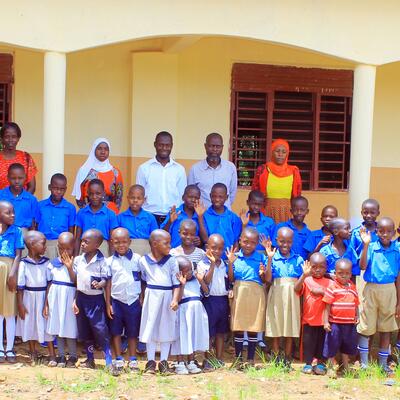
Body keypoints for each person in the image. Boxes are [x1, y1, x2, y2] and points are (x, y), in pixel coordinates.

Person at [357, 217, 400, 373]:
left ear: (394, 233)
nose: (385, 234)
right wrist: (365, 245)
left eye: (389, 231)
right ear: (376, 231)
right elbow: (362, 266)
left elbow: (399, 277)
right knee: (365, 327)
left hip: (389, 290)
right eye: (381, 231)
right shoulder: (371, 247)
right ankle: (364, 364)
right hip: (371, 289)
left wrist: (398, 301)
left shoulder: (397, 250)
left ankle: (383, 365)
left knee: (386, 328)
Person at [139, 229, 180, 374]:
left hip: (167, 296)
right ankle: (150, 361)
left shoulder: (172, 261)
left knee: (166, 328)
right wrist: (142, 296)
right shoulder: (143, 261)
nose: (169, 246)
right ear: (155, 244)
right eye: (166, 243)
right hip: (151, 296)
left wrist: (175, 299)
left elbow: (176, 283)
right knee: (150, 327)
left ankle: (163, 361)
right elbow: (143, 281)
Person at [226, 227, 267, 369]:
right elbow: (231, 278)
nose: (248, 245)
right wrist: (230, 263)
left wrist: (262, 272)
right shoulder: (235, 256)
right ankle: (238, 359)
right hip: (239, 292)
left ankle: (250, 359)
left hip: (256, 293)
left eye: (253, 243)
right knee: (238, 326)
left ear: (257, 244)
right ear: (240, 241)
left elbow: (266, 279)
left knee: (253, 326)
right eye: (245, 242)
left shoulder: (261, 257)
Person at [73, 229, 113, 370]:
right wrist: (75, 300)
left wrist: (100, 284)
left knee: (100, 330)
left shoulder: (103, 261)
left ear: (97, 245)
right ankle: (90, 360)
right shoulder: (78, 260)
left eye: (86, 242)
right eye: (82, 241)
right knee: (84, 330)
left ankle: (109, 362)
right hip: (81, 299)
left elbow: (106, 280)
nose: (82, 244)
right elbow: (76, 282)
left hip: (95, 300)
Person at [265, 227, 303, 369]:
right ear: (276, 241)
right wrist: (269, 259)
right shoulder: (272, 257)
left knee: (290, 326)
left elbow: (300, 281)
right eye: (282, 241)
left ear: (292, 241)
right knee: (275, 325)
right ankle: (276, 357)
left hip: (292, 295)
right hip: (276, 293)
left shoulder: (298, 259)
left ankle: (287, 358)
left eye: (288, 242)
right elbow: (268, 279)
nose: (285, 245)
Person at [105, 228, 142, 374]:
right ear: (111, 243)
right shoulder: (109, 262)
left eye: (124, 242)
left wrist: (141, 297)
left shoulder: (138, 259)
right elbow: (108, 284)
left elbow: (143, 280)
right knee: (116, 331)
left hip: (133, 301)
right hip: (116, 301)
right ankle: (119, 358)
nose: (121, 245)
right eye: (117, 242)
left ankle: (133, 359)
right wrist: (108, 304)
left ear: (130, 242)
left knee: (132, 332)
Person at [16, 231, 56, 365]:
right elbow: (20, 286)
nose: (45, 247)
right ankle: (33, 352)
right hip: (28, 298)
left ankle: (52, 354)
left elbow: (49, 283)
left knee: (46, 324)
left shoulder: (46, 262)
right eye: (43, 244)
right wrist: (20, 305)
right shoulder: (23, 263)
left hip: (43, 297)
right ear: (32, 245)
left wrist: (46, 303)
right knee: (30, 323)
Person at [136, 131, 187, 226]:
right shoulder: (144, 168)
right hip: (149, 216)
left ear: (172, 146)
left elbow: (182, 197)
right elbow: (138, 195)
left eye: (167, 145)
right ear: (155, 144)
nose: (164, 148)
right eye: (161, 145)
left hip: (173, 216)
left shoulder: (179, 169)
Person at [43, 232, 78, 368]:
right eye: (62, 248)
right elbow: (49, 285)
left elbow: (76, 282)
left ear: (74, 247)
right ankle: (61, 355)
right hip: (55, 298)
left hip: (69, 298)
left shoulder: (76, 263)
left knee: (69, 326)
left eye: (68, 249)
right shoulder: (53, 264)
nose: (65, 252)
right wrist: (46, 304)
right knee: (58, 326)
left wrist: (69, 267)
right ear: (57, 247)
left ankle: (73, 355)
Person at [172, 256, 209, 375]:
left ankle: (191, 362)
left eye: (190, 269)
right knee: (181, 336)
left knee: (192, 336)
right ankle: (180, 363)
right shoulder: (177, 283)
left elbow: (206, 292)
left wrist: (201, 280)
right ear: (179, 272)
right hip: (183, 312)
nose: (190, 272)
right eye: (186, 271)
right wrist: (182, 285)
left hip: (196, 312)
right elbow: (177, 299)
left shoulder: (195, 280)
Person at [197, 234, 230, 369]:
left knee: (220, 331)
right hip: (209, 300)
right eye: (214, 248)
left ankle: (219, 358)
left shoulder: (224, 264)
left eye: (220, 249)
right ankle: (208, 359)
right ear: (207, 248)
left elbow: (230, 280)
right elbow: (206, 281)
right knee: (209, 331)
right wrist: (211, 264)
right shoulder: (202, 264)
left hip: (222, 300)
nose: (217, 251)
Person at [294, 253, 330, 375]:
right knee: (308, 343)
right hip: (308, 320)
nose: (318, 270)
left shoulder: (330, 282)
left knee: (322, 343)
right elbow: (296, 289)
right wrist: (304, 275)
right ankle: (308, 364)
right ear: (310, 267)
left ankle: (320, 364)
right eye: (314, 267)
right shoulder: (307, 280)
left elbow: (333, 297)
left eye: (321, 267)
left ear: (326, 268)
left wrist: (322, 291)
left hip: (323, 321)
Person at [251, 138, 302, 223]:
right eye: (277, 151)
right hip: (266, 213)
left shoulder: (293, 171)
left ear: (287, 154)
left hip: (287, 213)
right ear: (272, 152)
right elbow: (255, 192)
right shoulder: (263, 170)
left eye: (284, 152)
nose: (280, 154)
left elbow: (297, 195)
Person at [322, 259, 359, 373]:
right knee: (332, 345)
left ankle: (346, 366)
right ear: (335, 273)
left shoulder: (352, 287)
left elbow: (356, 303)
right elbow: (327, 305)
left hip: (349, 324)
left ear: (351, 274)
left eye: (347, 273)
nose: (344, 276)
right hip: (335, 323)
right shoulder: (332, 287)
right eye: (340, 273)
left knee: (347, 346)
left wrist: (357, 316)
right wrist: (326, 322)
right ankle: (330, 367)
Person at [0, 201, 24, 363]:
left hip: (10, 269)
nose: (12, 215)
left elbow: (18, 255)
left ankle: (9, 348)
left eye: (13, 212)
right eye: (8, 212)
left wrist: (12, 275)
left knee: (9, 312)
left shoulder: (17, 231)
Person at [72, 138, 123, 213]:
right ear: (94, 150)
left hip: (110, 212)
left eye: (106, 149)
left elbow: (119, 198)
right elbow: (79, 197)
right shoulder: (84, 171)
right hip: (89, 212)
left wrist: (113, 212)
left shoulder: (116, 172)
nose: (103, 152)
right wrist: (87, 211)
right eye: (99, 148)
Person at [188, 133, 237, 209]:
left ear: (222, 147)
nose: (215, 149)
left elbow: (232, 194)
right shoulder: (195, 169)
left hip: (224, 214)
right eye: (211, 146)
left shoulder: (230, 168)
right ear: (205, 146)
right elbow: (190, 193)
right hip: (203, 214)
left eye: (218, 146)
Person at [35, 173, 76, 259]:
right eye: (55, 188)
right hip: (43, 244)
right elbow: (36, 226)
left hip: (61, 246)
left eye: (62, 189)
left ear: (65, 189)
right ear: (49, 187)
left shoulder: (70, 208)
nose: (59, 192)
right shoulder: (40, 205)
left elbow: (71, 231)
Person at [75, 179, 118, 257]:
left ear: (103, 193)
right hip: (85, 248)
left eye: (98, 193)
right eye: (91, 194)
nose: (94, 197)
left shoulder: (111, 214)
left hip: (103, 249)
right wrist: (75, 257)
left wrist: (112, 258)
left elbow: (112, 240)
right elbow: (78, 238)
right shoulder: (81, 213)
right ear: (87, 193)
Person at [198, 183, 242, 257]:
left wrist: (234, 258)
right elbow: (205, 240)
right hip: (210, 257)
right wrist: (200, 217)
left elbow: (235, 242)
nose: (217, 199)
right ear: (210, 196)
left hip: (228, 258)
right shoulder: (204, 216)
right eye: (214, 196)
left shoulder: (233, 218)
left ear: (226, 197)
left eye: (220, 197)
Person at [117, 184, 158, 256]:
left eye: (139, 198)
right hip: (126, 250)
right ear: (127, 198)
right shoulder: (120, 217)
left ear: (144, 200)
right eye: (132, 198)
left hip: (146, 250)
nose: (135, 200)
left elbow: (155, 238)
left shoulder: (150, 217)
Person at [0, 122, 37, 193]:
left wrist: (22, 199)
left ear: (18, 138)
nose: (10, 140)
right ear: (2, 138)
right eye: (7, 136)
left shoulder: (26, 157)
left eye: (14, 136)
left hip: (23, 199)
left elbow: (32, 187)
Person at [0, 163, 38, 231]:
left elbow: (33, 224)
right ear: (8, 178)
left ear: (25, 177)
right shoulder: (1, 195)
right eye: (13, 178)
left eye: (20, 178)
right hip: (3, 232)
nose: (17, 181)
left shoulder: (31, 199)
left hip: (23, 232)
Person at [349, 199, 380, 277]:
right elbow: (352, 253)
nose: (369, 215)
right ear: (361, 213)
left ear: (378, 213)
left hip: (377, 271)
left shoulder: (381, 232)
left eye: (372, 213)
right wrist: (354, 273)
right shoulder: (356, 233)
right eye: (365, 212)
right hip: (360, 272)